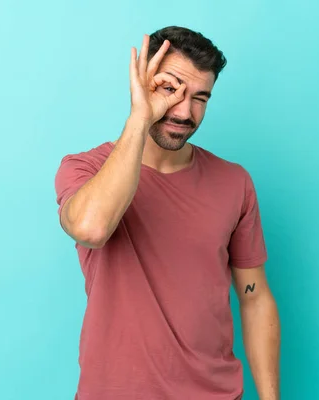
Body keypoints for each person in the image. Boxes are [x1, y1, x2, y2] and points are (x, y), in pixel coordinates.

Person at [54, 26, 280, 400]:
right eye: (170, 89)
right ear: (143, 84)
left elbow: (254, 296)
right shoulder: (85, 169)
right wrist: (140, 118)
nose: (185, 111)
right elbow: (91, 228)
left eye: (201, 98)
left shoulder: (234, 182)